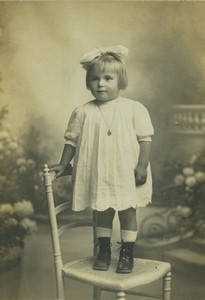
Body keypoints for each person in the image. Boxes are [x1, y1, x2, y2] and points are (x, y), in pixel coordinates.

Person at [50, 45, 154, 274]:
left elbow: (145, 139)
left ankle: (127, 253)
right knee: (103, 213)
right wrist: (64, 162)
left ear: (120, 81)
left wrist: (142, 166)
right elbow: (72, 141)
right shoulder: (83, 111)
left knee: (128, 212)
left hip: (127, 171)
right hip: (100, 173)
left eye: (108, 78)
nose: (101, 83)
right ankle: (104, 251)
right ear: (89, 82)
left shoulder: (133, 108)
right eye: (95, 78)